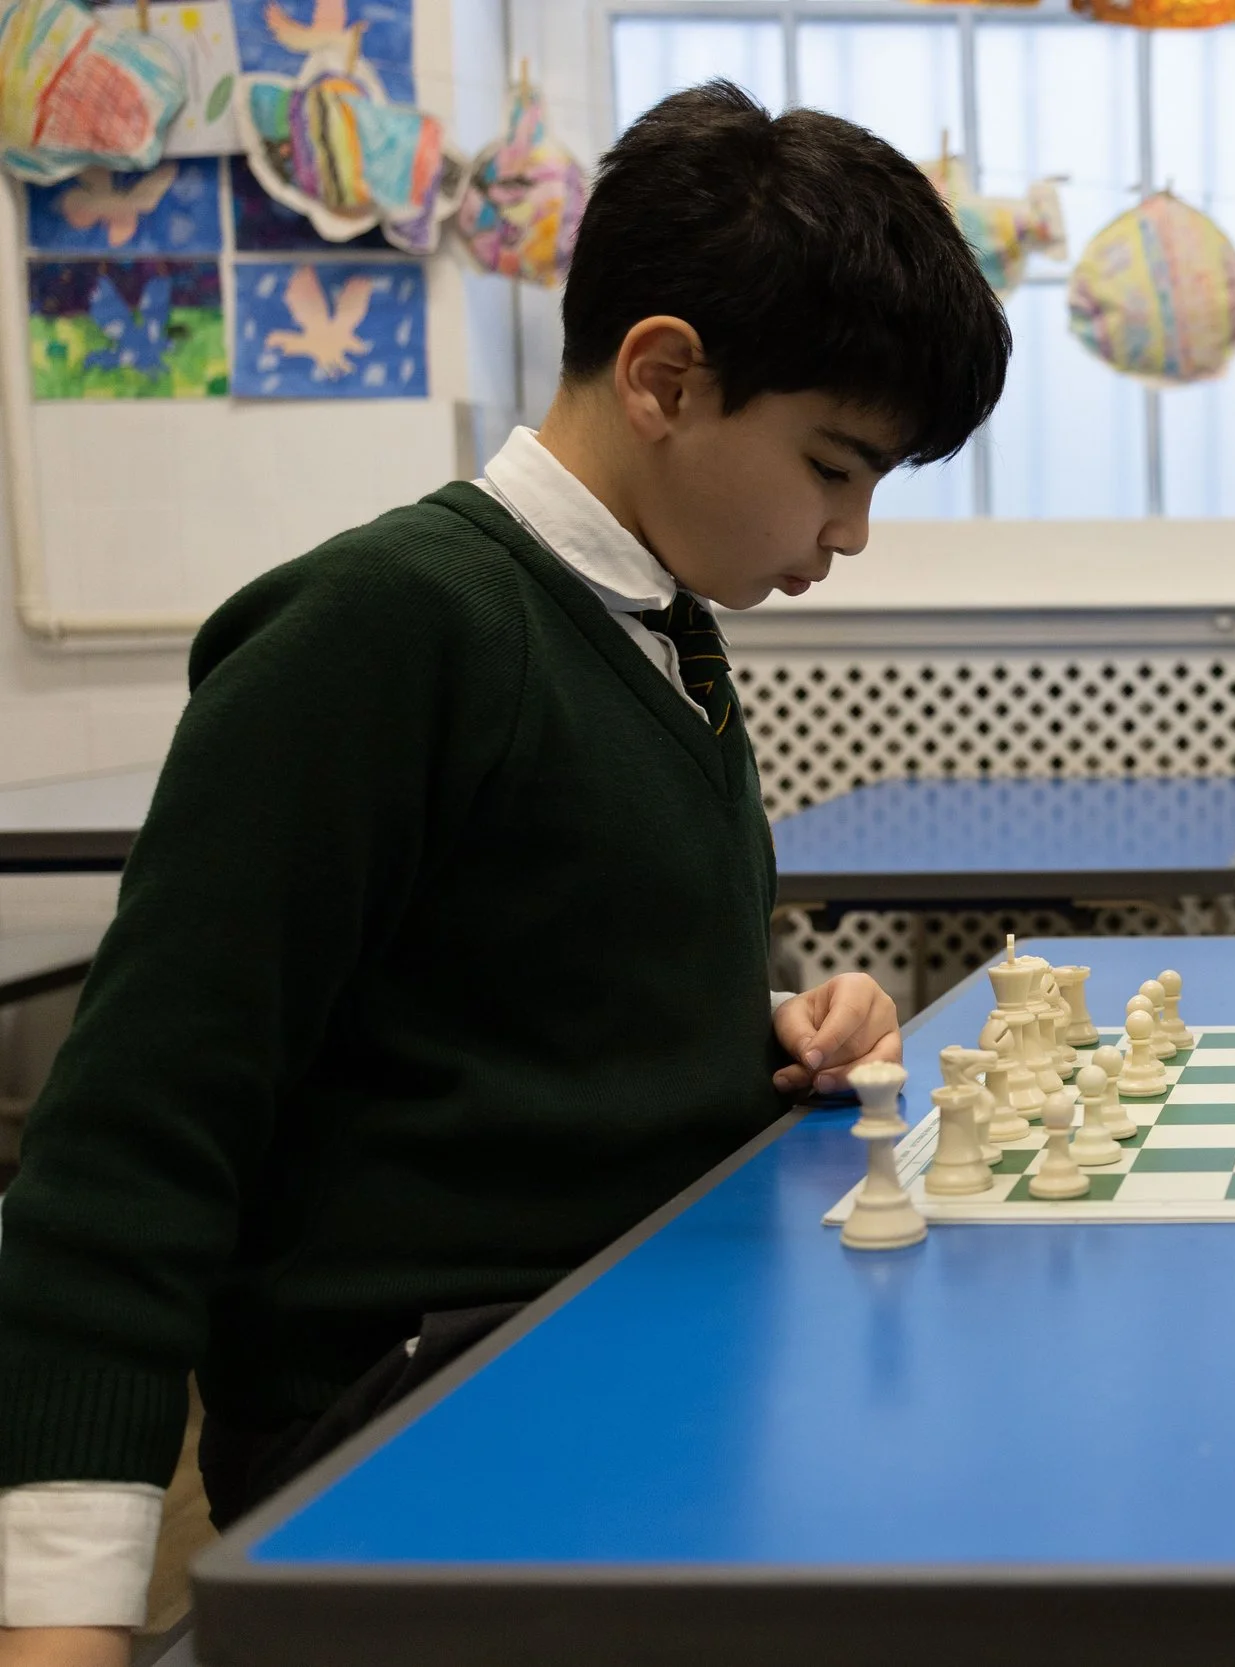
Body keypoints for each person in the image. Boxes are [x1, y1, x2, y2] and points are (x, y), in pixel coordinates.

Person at [0, 82, 1010, 1666]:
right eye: (835, 464)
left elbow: (502, 988)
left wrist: (759, 1027)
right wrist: (61, 1617)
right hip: (430, 1417)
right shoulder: (394, 622)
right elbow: (132, 1138)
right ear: (666, 376)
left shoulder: (660, 631)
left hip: (634, 1334)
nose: (852, 531)